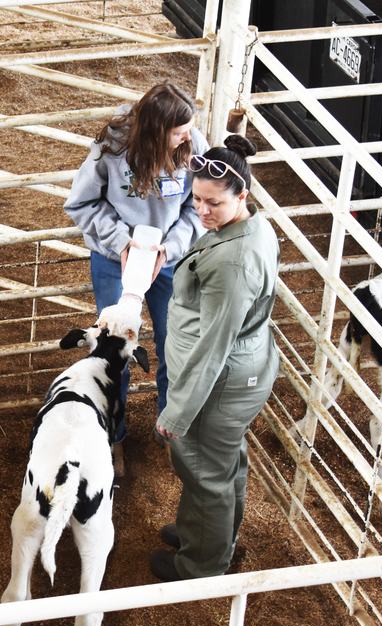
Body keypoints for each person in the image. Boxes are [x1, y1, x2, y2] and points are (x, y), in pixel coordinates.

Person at [151, 134, 279, 581]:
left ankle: (201, 565)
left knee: (205, 471)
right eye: (197, 199)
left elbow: (214, 345)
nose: (202, 211)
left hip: (219, 382)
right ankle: (207, 534)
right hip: (241, 371)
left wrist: (176, 413)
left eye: (214, 203)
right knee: (223, 464)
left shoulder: (233, 262)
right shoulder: (249, 226)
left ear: (242, 195)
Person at [64, 82, 209, 472]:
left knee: (173, 342)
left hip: (167, 259)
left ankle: (170, 429)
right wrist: (121, 242)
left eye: (188, 129)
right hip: (115, 258)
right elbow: (80, 203)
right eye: (178, 132)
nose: (187, 137)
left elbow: (199, 207)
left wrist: (171, 247)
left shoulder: (192, 143)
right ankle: (113, 436)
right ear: (154, 130)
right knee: (113, 349)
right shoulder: (112, 148)